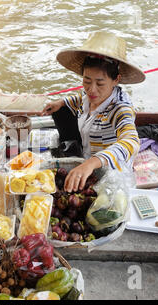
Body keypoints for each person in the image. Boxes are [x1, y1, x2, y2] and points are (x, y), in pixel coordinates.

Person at [41, 31, 145, 192]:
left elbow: (131, 142)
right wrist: (60, 102)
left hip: (110, 171)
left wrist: (91, 163)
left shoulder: (120, 109)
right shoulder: (90, 96)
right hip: (87, 160)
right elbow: (80, 99)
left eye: (100, 83)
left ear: (116, 80)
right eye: (86, 81)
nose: (92, 90)